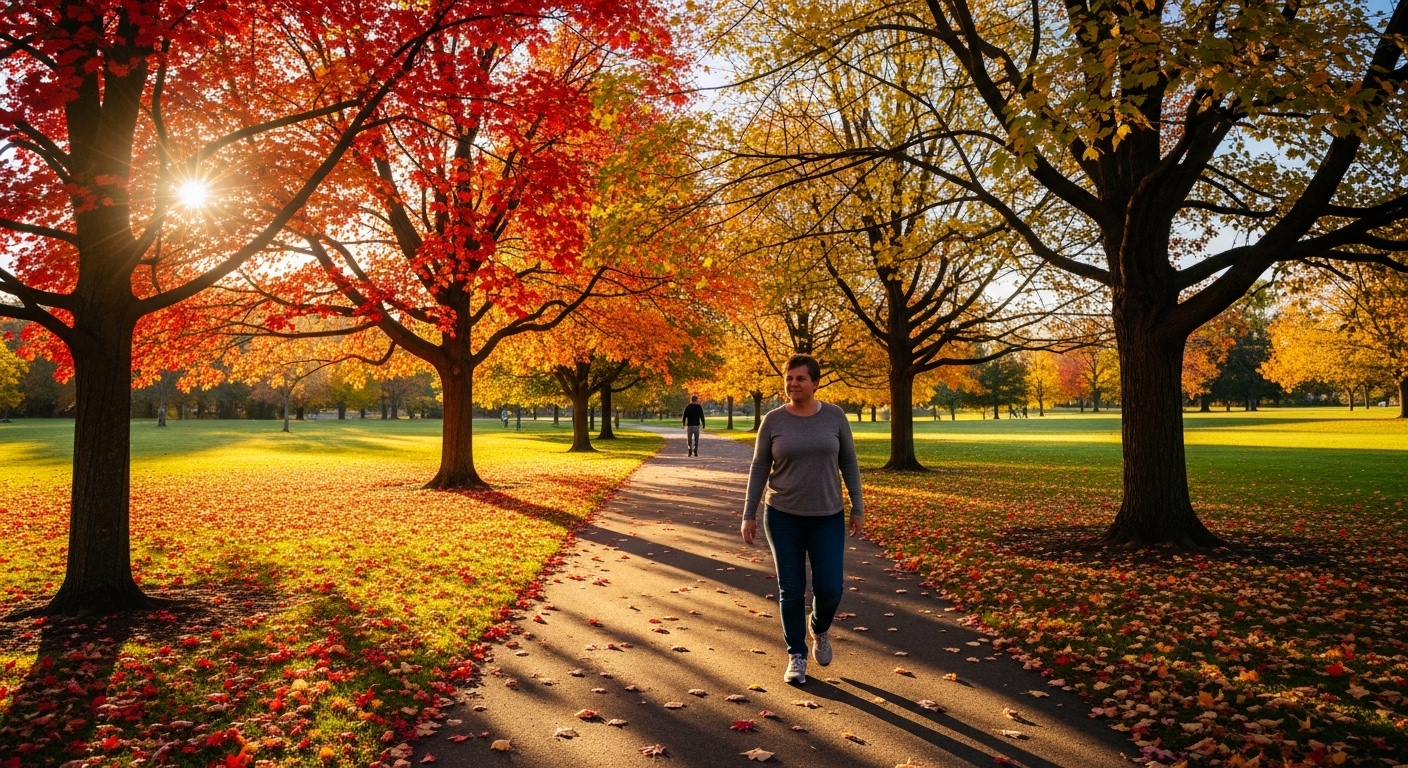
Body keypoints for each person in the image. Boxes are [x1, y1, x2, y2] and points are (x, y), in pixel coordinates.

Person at [741, 354, 862, 684]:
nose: (793, 384)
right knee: (790, 590)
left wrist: (858, 507)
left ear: (815, 382)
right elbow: (759, 467)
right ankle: (796, 655)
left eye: (800, 378)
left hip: (827, 516)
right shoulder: (773, 420)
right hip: (782, 516)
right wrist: (748, 514)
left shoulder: (835, 417)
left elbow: (849, 463)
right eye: (789, 378)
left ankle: (819, 628)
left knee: (830, 588)